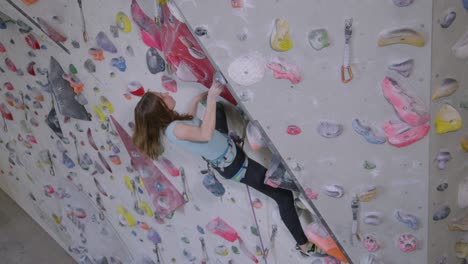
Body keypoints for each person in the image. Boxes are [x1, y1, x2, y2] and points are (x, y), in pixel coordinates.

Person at [132, 80, 323, 257]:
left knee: (218, 110)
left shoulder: (173, 125)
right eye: (162, 96)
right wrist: (212, 97)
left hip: (227, 150)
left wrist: (199, 98)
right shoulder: (174, 129)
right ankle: (304, 245)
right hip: (236, 165)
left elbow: (191, 120)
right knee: (283, 196)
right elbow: (205, 134)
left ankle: (233, 137)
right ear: (162, 108)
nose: (166, 93)